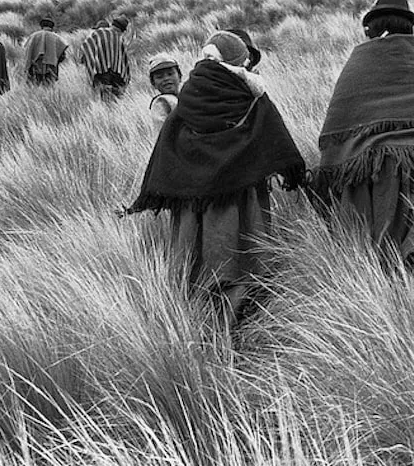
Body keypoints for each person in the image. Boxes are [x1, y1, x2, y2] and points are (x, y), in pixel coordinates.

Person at [128, 31, 306, 328]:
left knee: (195, 266)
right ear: (238, 62)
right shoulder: (251, 96)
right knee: (238, 261)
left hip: (192, 204)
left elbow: (167, 151)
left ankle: (198, 326)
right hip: (239, 198)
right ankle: (234, 326)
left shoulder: (189, 97)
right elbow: (275, 140)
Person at [310, 0, 414, 270]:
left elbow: (337, 123)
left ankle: (371, 271)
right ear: (408, 26)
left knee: (364, 244)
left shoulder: (358, 62)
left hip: (367, 174)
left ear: (373, 26)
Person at [81, 16, 132, 102]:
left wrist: (91, 60)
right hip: (117, 73)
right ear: (123, 29)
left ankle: (106, 111)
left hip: (100, 70)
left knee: (104, 96)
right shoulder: (120, 38)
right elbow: (123, 59)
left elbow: (86, 46)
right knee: (116, 98)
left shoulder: (99, 32)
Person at [23, 18, 67, 86]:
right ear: (51, 27)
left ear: (41, 26)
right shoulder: (57, 38)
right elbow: (62, 56)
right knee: (48, 91)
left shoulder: (33, 36)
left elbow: (27, 52)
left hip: (34, 68)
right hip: (50, 69)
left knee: (33, 90)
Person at [148, 53, 182, 129]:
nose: (166, 79)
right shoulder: (161, 103)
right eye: (159, 77)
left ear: (179, 76)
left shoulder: (187, 96)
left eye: (170, 74)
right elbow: (161, 133)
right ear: (153, 83)